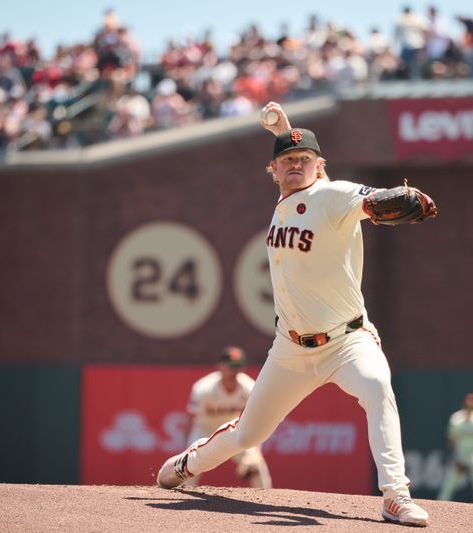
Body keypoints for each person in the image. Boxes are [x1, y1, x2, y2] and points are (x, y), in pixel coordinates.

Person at [157, 101, 437, 527]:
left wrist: (383, 197)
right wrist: (286, 130)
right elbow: (296, 176)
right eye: (287, 160)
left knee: (378, 386)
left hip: (347, 341)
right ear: (273, 170)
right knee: (249, 434)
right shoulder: (288, 200)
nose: (295, 165)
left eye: (304, 160)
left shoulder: (334, 195)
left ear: (319, 166)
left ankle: (395, 496)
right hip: (290, 348)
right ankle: (189, 463)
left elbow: (362, 197)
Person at [183, 346, 272, 489]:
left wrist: (255, 452)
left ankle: (265, 497)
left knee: (256, 465)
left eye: (237, 366)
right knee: (187, 466)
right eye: (230, 365)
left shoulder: (249, 387)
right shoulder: (204, 388)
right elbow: (190, 418)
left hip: (234, 432)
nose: (233, 370)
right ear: (220, 366)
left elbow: (257, 422)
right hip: (206, 431)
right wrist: (185, 447)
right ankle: (179, 496)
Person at [437, 393, 473, 504]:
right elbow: (451, 440)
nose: (470, 403)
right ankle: (439, 507)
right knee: (448, 486)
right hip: (460, 454)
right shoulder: (457, 418)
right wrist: (454, 458)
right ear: (464, 402)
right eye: (468, 400)